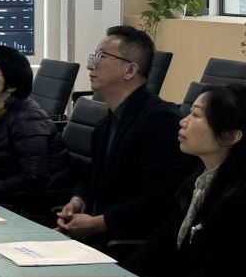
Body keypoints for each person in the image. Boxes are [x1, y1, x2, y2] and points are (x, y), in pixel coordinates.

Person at [126, 85, 246, 277]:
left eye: (197, 115)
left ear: (230, 136)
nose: (183, 121)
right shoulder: (200, 179)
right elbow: (163, 240)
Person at [56, 25, 190, 245]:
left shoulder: (161, 122)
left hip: (128, 244)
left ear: (130, 71)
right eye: (93, 57)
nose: (90, 65)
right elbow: (90, 178)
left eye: (101, 57)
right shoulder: (106, 125)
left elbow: (162, 198)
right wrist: (78, 199)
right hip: (97, 234)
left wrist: (100, 223)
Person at [0, 44, 65, 216]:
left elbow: (34, 177)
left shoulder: (27, 118)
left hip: (30, 207)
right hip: (2, 198)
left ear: (11, 85)